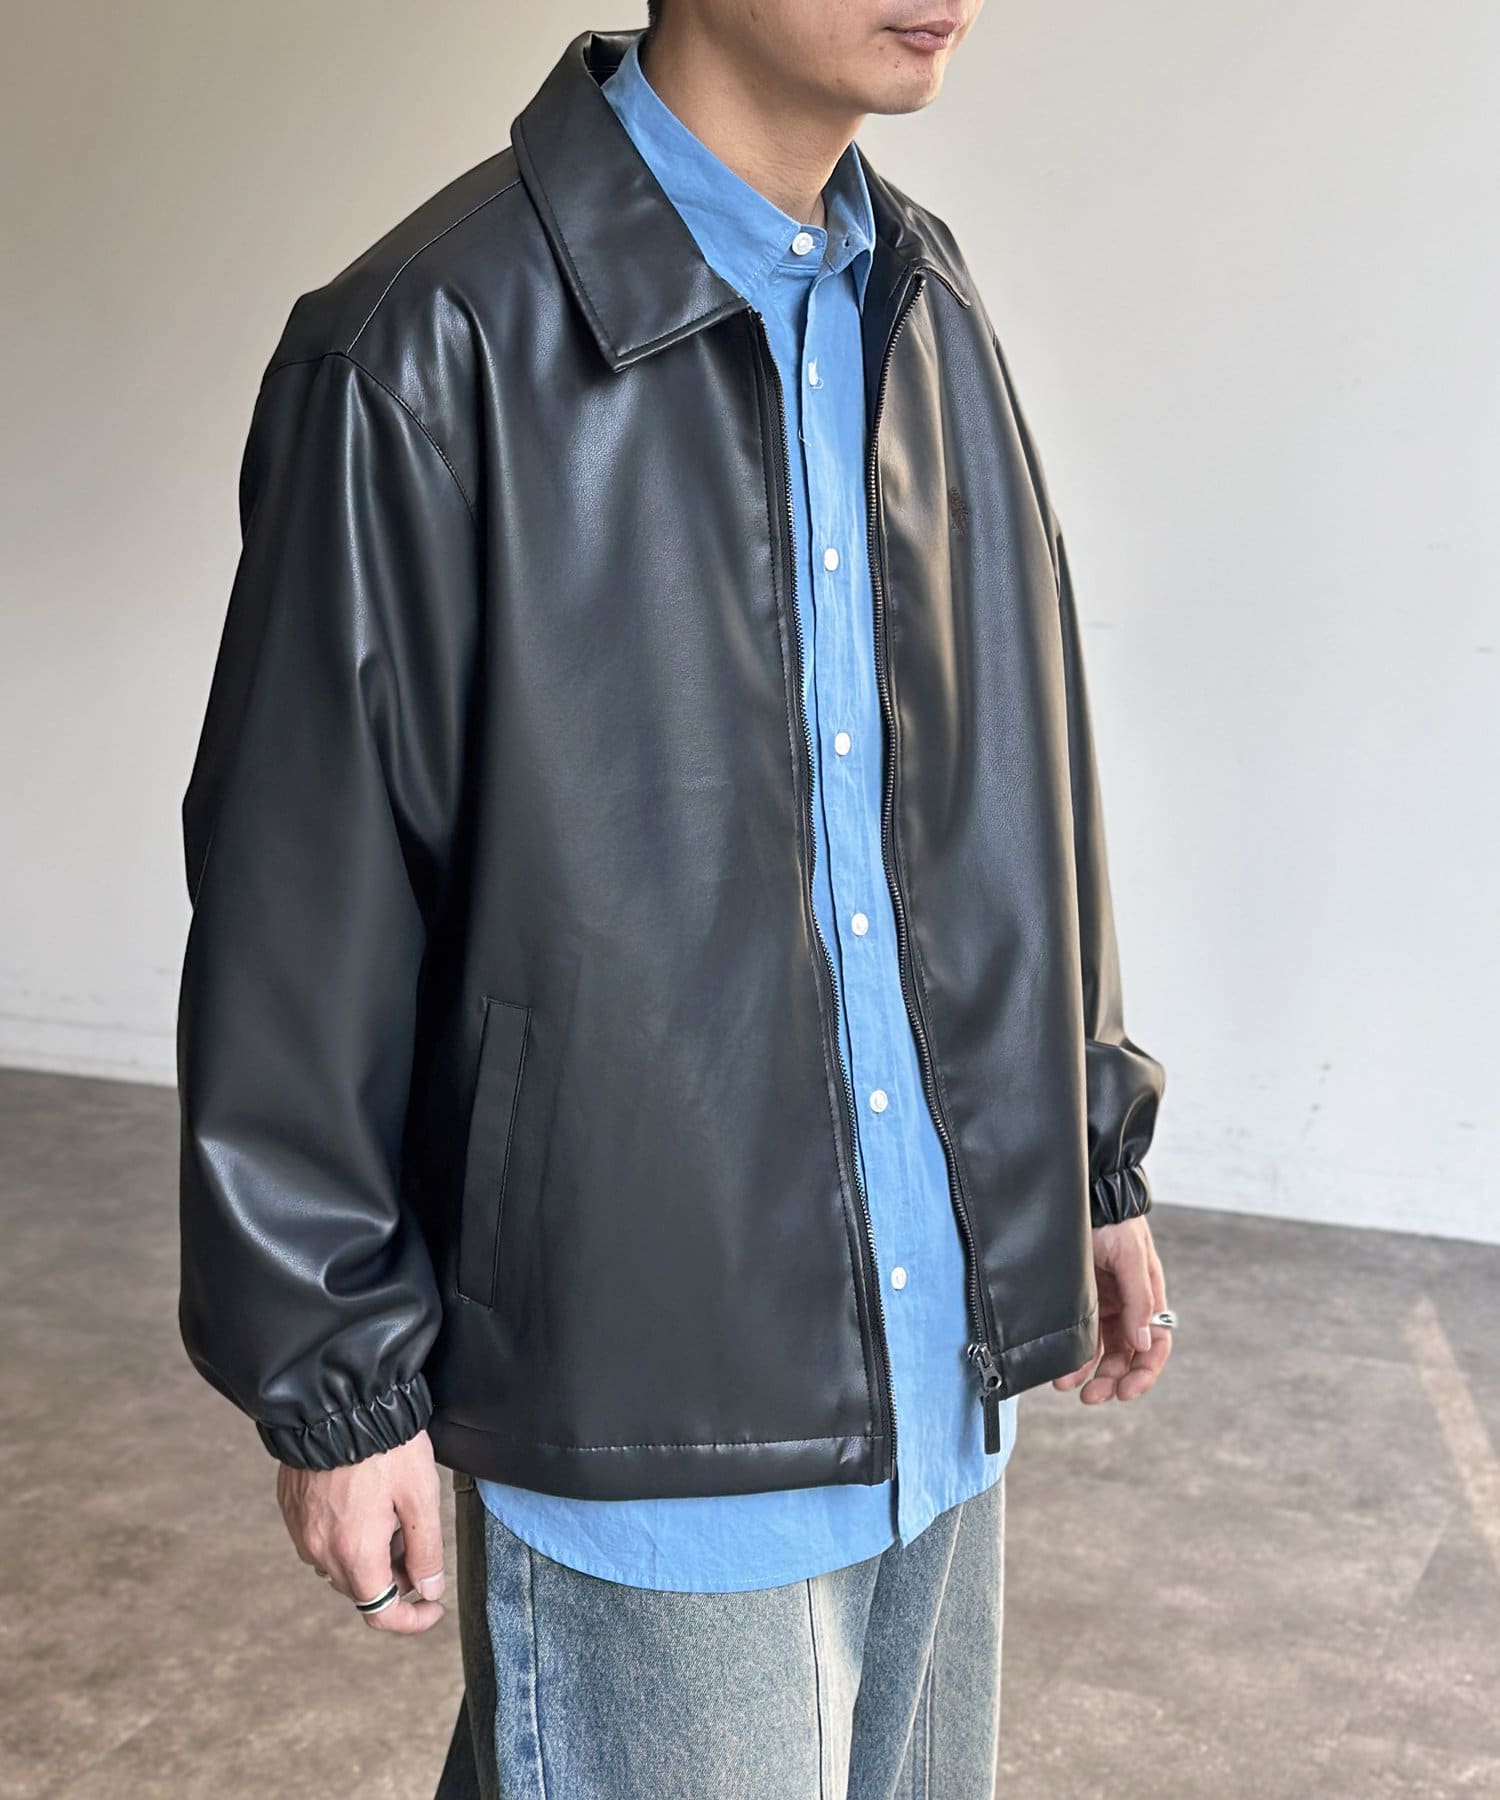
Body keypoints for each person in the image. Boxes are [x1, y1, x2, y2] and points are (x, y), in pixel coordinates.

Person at [175, 5, 1173, 1795]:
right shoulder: (425, 345)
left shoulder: (922, 301)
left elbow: (1022, 766)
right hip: (639, 1385)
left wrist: (1082, 1146)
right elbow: (299, 901)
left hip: (935, 1383)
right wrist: (335, 1373)